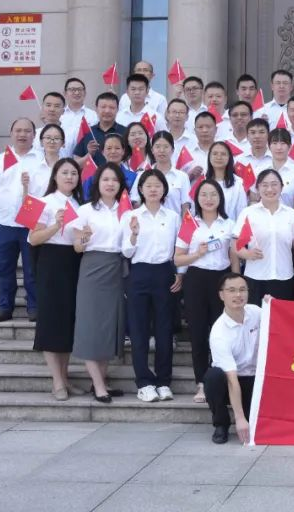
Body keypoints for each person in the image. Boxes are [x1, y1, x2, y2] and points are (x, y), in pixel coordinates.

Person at [174, 178, 239, 404]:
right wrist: (197, 254)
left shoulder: (229, 224)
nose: (209, 199)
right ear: (197, 198)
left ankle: (223, 381)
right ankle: (201, 383)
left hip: (222, 281)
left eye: (213, 194)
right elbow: (178, 258)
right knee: (198, 333)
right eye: (204, 194)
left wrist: (236, 284)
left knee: (222, 333)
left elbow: (234, 256)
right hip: (196, 280)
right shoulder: (189, 223)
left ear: (220, 198)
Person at [68, 162, 129, 403]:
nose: (110, 184)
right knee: (91, 326)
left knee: (109, 327)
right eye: (105, 179)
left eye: (114, 179)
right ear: (97, 183)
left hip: (117, 268)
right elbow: (77, 247)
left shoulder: (127, 211)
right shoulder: (85, 210)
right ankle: (99, 385)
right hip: (93, 268)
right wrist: (84, 238)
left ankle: (100, 382)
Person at [121, 170, 180, 403]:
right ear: (141, 190)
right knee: (139, 330)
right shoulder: (131, 216)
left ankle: (164, 381)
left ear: (164, 189)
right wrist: (134, 235)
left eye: (158, 185)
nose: (153, 189)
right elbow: (126, 252)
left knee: (165, 329)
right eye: (148, 185)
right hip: (139, 272)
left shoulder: (173, 217)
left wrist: (180, 274)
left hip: (164, 272)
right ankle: (144, 382)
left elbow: (179, 248)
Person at [27, 157, 84, 401]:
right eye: (65, 173)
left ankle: (65, 377)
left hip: (73, 262)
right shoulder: (42, 201)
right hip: (50, 262)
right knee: (51, 320)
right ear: (55, 176)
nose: (70, 177)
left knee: (67, 321)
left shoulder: (81, 204)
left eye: (74, 173)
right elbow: (33, 238)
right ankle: (57, 381)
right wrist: (56, 225)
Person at [0, 117, 41, 323]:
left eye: (27, 131)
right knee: (4, 268)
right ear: (11, 133)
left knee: (32, 270)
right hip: (3, 224)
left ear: (34, 135)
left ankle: (34, 307)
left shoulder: (41, 159)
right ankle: (5, 307)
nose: (22, 134)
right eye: (18, 130)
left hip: (31, 225)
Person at [235, 168, 294, 305]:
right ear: (257, 188)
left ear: (282, 187)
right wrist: (247, 254)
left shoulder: (291, 214)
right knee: (255, 317)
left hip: (284, 279)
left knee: (281, 318)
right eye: (264, 185)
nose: (270, 189)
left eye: (274, 184)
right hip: (255, 279)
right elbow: (236, 245)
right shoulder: (248, 213)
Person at [205, 272, 259, 445]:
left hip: (255, 379)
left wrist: (273, 304)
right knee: (213, 376)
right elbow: (231, 379)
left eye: (242, 290)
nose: (238, 295)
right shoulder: (219, 332)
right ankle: (221, 424)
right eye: (232, 290)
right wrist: (240, 419)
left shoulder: (256, 312)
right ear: (222, 295)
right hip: (233, 380)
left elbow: (281, 321)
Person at [73, 92, 125, 167]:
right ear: (96, 109)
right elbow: (76, 164)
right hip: (92, 174)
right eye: (103, 107)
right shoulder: (87, 132)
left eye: (111, 108)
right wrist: (89, 154)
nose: (107, 111)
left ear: (117, 109)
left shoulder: (125, 132)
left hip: (118, 174)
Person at [205, 141, 248, 222]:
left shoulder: (238, 183)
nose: (219, 157)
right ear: (209, 157)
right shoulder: (202, 181)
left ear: (229, 158)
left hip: (230, 228)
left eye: (223, 154)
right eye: (215, 154)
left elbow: (241, 213)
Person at [267, 128, 294, 208]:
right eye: (274, 143)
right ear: (268, 146)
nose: (279, 147)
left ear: (290, 146)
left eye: (283, 143)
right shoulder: (260, 170)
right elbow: (254, 199)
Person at [28, 123, 68, 198]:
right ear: (41, 142)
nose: (52, 141)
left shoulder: (69, 168)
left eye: (56, 138)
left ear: (63, 143)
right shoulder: (33, 168)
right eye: (48, 138)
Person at [34, 92, 74, 158]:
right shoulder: (35, 134)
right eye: (48, 105)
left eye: (57, 106)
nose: (52, 109)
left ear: (63, 111)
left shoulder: (72, 133)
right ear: (42, 108)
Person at [164, 98, 195, 162]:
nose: (177, 115)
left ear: (187, 117)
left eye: (181, 112)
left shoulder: (194, 140)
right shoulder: (161, 138)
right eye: (174, 112)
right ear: (167, 115)